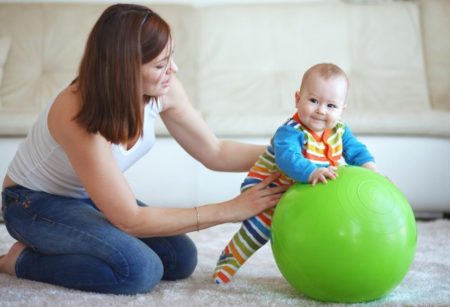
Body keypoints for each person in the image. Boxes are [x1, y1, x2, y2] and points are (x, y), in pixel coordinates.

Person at [0, 4, 286, 294]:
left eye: (170, 57)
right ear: (124, 68)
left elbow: (215, 151)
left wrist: (288, 155)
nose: (172, 70)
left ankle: (68, 244)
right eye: (160, 64)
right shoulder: (76, 112)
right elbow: (129, 220)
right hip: (32, 204)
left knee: (180, 259)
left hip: (88, 198)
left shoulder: (163, 89)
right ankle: (19, 261)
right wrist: (228, 210)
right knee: (138, 270)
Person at [213, 63, 379, 284]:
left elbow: (356, 151)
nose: (321, 110)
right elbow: (287, 159)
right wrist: (311, 172)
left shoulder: (340, 130)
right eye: (313, 101)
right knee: (259, 230)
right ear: (297, 99)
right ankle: (229, 261)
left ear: (342, 110)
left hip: (303, 189)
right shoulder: (290, 131)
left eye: (331, 105)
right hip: (268, 187)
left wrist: (369, 169)